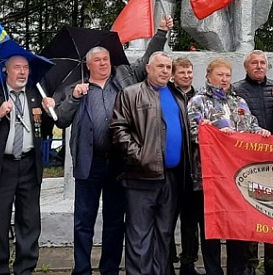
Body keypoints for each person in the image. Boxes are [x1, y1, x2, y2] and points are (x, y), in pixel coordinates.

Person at [56, 17, 172, 275]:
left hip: (119, 163)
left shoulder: (124, 77)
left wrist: (161, 32)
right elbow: (61, 120)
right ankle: (82, 269)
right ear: (89, 65)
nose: (104, 63)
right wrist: (74, 99)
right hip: (89, 164)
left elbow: (146, 64)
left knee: (114, 221)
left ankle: (109, 269)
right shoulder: (75, 88)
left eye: (106, 59)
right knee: (83, 222)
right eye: (97, 60)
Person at [0, 55, 56, 275]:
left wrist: (49, 112)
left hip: (28, 165)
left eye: (25, 68)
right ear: (6, 70)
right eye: (17, 68)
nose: (22, 72)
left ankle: (25, 269)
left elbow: (44, 130)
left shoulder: (35, 94)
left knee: (29, 222)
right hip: (0, 167)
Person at [110, 52, 197, 275]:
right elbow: (119, 130)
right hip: (141, 177)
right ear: (148, 68)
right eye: (160, 66)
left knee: (164, 233)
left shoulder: (177, 95)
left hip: (172, 177)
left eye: (168, 67)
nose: (165, 71)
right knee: (139, 235)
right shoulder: (130, 94)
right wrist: (140, 157)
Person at [187, 58, 271, 275]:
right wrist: (215, 136)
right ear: (208, 77)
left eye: (227, 75)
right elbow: (192, 133)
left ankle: (237, 270)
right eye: (219, 75)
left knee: (237, 228)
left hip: (238, 179)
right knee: (211, 230)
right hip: (209, 178)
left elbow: (251, 126)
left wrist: (261, 132)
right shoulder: (198, 101)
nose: (224, 79)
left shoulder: (239, 102)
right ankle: (213, 271)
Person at [232, 51, 273, 275]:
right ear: (246, 67)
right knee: (252, 212)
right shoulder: (236, 90)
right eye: (254, 63)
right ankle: (250, 263)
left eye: (263, 63)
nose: (259, 66)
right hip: (250, 161)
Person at [168, 57, 203, 275]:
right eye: (182, 72)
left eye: (189, 72)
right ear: (173, 75)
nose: (187, 75)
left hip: (194, 169)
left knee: (191, 220)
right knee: (168, 218)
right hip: (172, 167)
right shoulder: (166, 95)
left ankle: (188, 261)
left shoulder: (199, 97)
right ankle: (167, 260)